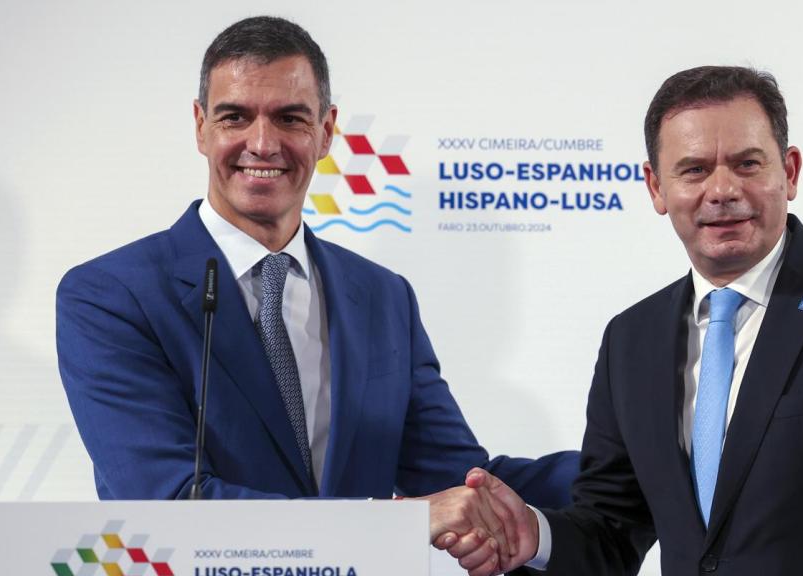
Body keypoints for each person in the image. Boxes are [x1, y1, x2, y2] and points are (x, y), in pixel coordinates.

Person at [55, 16, 577, 570]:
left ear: (326, 132)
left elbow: (458, 478)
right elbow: (164, 502)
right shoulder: (112, 295)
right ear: (201, 125)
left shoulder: (382, 297)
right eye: (235, 116)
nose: (262, 143)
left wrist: (643, 463)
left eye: (290, 118)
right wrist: (401, 521)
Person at [445, 66, 803, 575]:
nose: (723, 190)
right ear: (657, 189)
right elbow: (611, 527)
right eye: (693, 170)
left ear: (790, 170)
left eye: (747, 163)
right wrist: (535, 534)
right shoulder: (630, 340)